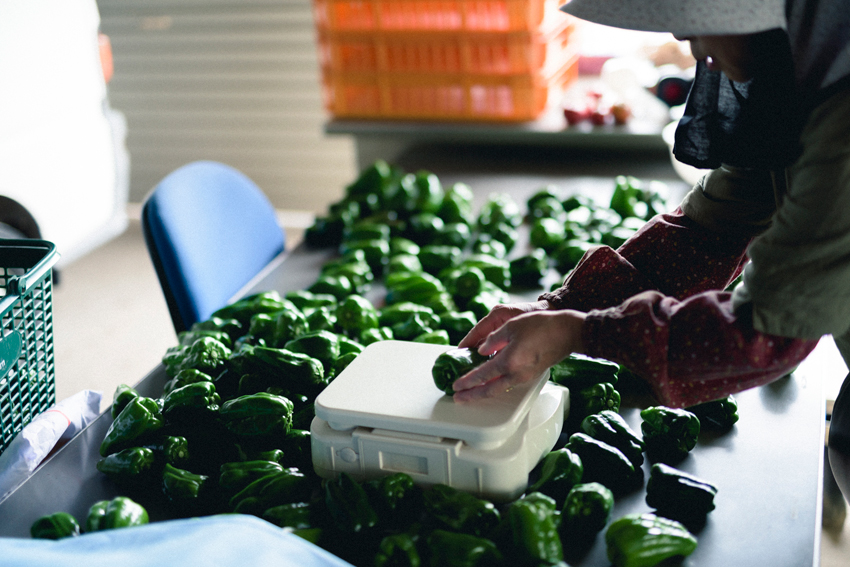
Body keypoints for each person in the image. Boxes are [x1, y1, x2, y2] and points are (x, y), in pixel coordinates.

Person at [451, 0, 850, 501]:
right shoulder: (798, 99)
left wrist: (580, 332)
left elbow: (767, 333)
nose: (691, 46)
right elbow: (707, 231)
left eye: (698, 26)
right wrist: (560, 308)